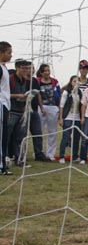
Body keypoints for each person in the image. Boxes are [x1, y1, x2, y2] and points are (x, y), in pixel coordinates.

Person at [8, 59, 43, 165]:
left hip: (22, 111)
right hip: (11, 111)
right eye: (23, 68)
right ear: (17, 68)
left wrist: (26, 98)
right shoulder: (10, 79)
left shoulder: (25, 80)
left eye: (27, 68)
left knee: (20, 137)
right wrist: (17, 96)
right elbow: (4, 94)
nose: (25, 70)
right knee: (7, 136)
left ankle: (19, 159)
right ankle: (5, 157)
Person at [36, 64, 61, 160]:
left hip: (53, 107)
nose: (47, 72)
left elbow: (59, 95)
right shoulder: (37, 81)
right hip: (41, 107)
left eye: (48, 70)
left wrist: (58, 108)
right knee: (40, 131)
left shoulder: (55, 81)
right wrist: (41, 107)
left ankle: (50, 154)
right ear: (41, 72)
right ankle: (38, 152)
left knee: (52, 132)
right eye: (45, 71)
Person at [58, 75, 82, 164]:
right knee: (66, 137)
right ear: (71, 82)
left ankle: (75, 156)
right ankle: (61, 156)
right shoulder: (66, 92)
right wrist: (61, 118)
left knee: (76, 138)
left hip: (77, 118)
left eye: (77, 81)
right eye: (74, 81)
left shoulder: (80, 93)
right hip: (68, 117)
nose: (76, 83)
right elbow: (61, 105)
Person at [0, 41, 12, 175]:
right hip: (1, 104)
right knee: (2, 137)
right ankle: (1, 166)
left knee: (4, 136)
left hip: (5, 105)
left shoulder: (4, 68)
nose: (11, 55)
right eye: (9, 53)